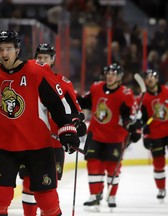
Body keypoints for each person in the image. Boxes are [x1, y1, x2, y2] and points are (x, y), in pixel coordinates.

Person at [0, 30, 82, 216]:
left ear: (17, 50)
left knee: (47, 199)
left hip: (37, 147)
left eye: (9, 49)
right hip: (4, 148)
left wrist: (68, 129)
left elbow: (58, 102)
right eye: (1, 49)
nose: (5, 54)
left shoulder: (37, 71)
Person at [19, 43, 85, 215]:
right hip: (29, 141)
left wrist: (77, 122)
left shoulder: (63, 83)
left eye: (46, 57)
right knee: (28, 182)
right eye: (39, 57)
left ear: (53, 60)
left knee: (47, 185)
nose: (42, 60)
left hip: (54, 144)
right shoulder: (25, 80)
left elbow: (74, 110)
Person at [77, 63, 142, 211]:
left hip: (115, 137)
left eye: (113, 73)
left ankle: (111, 195)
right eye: (108, 73)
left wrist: (133, 127)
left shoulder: (125, 93)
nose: (110, 75)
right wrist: (72, 95)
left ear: (119, 77)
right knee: (93, 164)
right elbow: (85, 102)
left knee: (112, 167)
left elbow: (129, 117)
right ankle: (95, 195)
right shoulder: (96, 87)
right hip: (95, 134)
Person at [140, 69, 167, 201]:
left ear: (157, 79)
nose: (150, 79)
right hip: (156, 134)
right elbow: (144, 120)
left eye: (152, 77)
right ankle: (161, 188)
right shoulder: (143, 98)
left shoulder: (166, 92)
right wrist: (146, 136)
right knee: (158, 163)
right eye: (147, 77)